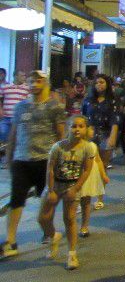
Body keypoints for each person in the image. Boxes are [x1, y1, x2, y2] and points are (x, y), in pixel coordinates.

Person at [1, 71, 65, 260]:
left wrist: (61, 162)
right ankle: (11, 241)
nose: (34, 84)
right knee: (16, 200)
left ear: (45, 83)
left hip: (46, 161)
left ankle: (48, 231)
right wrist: (9, 158)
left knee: (46, 203)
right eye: (31, 81)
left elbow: (61, 135)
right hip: (22, 160)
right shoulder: (20, 107)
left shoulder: (55, 107)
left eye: (38, 81)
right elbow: (13, 133)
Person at [38, 115, 95, 270]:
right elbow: (50, 169)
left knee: (69, 218)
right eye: (74, 126)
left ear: (85, 129)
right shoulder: (58, 147)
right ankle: (54, 236)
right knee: (43, 218)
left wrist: (76, 189)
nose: (77, 129)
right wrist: (50, 190)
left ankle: (72, 253)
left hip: (72, 185)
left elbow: (87, 170)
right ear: (68, 128)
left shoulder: (87, 147)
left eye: (81, 126)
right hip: (55, 183)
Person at [82, 74, 121, 202]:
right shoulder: (88, 100)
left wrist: (113, 136)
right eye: (97, 82)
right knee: (86, 165)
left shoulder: (113, 100)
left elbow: (115, 119)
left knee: (102, 166)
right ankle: (84, 196)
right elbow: (83, 117)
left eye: (102, 82)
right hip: (90, 135)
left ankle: (100, 197)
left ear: (107, 84)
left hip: (106, 134)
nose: (99, 84)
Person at [78, 126, 109, 238]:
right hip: (77, 175)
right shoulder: (74, 146)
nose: (92, 131)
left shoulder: (93, 146)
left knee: (86, 201)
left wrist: (103, 175)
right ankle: (71, 223)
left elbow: (99, 161)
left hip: (90, 176)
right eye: (90, 129)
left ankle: (84, 226)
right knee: (74, 201)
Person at [0, 70, 30, 155]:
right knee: (3, 132)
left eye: (25, 76)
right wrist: (0, 109)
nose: (24, 78)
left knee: (17, 138)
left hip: (19, 118)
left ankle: (11, 157)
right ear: (15, 76)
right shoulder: (5, 87)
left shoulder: (26, 88)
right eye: (22, 76)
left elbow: (29, 102)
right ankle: (6, 153)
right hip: (6, 117)